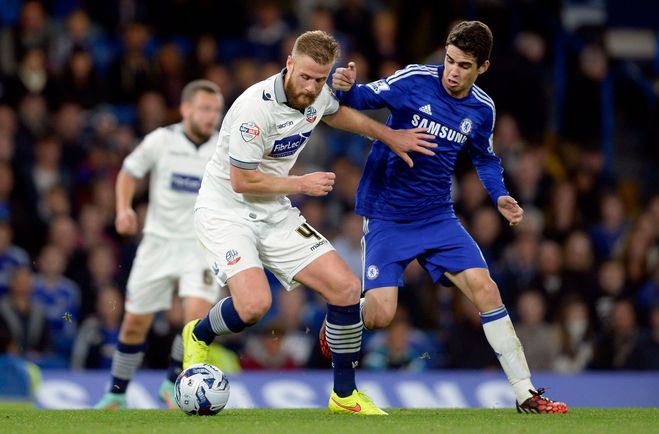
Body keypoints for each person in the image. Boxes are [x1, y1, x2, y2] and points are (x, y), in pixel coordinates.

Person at [182, 30, 434, 416]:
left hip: (273, 209)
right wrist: (301, 183)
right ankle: (197, 334)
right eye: (306, 77)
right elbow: (241, 180)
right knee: (253, 306)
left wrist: (388, 135)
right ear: (289, 65)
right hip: (226, 209)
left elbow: (338, 113)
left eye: (320, 79)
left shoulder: (318, 93)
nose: (313, 86)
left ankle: (344, 397)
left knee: (346, 288)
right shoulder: (255, 108)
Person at [324, 20, 568, 414]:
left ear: (482, 67)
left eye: (464, 65)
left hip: (438, 216)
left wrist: (500, 195)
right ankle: (340, 321)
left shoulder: (481, 108)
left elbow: (485, 158)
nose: (452, 72)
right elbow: (362, 98)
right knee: (380, 315)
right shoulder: (416, 80)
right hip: (387, 215)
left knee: (486, 290)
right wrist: (347, 85)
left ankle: (526, 393)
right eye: (450, 60)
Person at [95, 80, 224, 409]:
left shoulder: (223, 147)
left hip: (201, 245)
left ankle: (172, 384)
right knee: (135, 322)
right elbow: (128, 172)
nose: (212, 116)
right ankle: (117, 394)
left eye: (216, 110)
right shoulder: (161, 140)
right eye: (205, 109)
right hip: (158, 242)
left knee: (194, 317)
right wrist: (123, 209)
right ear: (186, 109)